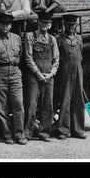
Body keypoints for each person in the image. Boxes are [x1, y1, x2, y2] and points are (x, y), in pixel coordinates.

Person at [0, 13, 27, 145]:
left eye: (7, 24)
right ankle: (7, 135)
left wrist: (15, 68)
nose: (5, 27)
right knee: (1, 106)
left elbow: (21, 56)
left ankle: (19, 134)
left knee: (18, 104)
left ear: (11, 25)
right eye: (2, 24)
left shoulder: (17, 39)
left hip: (15, 72)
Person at [23, 12, 60, 142]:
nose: (44, 25)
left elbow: (56, 60)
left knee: (48, 104)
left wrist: (50, 74)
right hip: (34, 74)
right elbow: (28, 58)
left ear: (50, 25)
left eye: (47, 23)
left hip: (48, 75)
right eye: (42, 22)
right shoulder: (30, 36)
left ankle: (44, 133)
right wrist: (38, 74)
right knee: (31, 104)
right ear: (38, 23)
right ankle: (27, 133)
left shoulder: (52, 39)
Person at [54, 14, 87, 139]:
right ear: (64, 25)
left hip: (78, 70)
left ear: (76, 25)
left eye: (73, 25)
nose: (71, 27)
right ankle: (63, 130)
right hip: (64, 70)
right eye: (68, 25)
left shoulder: (79, 38)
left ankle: (78, 129)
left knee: (78, 99)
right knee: (65, 99)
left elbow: (81, 54)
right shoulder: (59, 38)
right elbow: (56, 56)